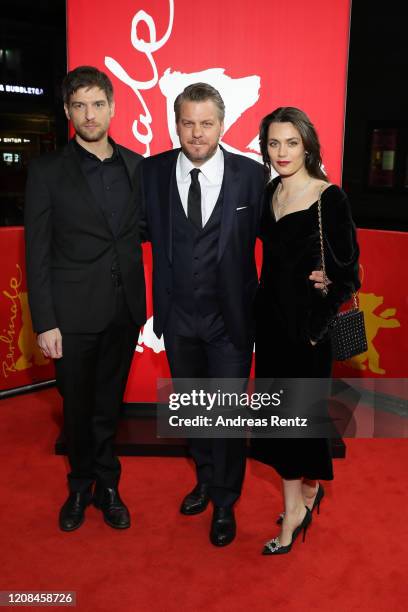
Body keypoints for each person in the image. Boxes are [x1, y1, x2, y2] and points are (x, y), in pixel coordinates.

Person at [140, 83, 265, 546]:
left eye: (206, 123)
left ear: (222, 124)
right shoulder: (151, 173)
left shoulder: (251, 176)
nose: (196, 133)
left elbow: (275, 243)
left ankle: (226, 502)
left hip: (230, 320)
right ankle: (205, 479)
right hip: (178, 319)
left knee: (228, 416)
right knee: (194, 411)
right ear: (176, 124)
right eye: (187, 122)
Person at [24, 66, 146, 531]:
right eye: (80, 105)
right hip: (70, 317)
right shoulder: (47, 171)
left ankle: (108, 484)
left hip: (123, 311)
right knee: (75, 407)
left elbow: (152, 231)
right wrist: (45, 321)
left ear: (113, 108)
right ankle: (79, 486)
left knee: (108, 405)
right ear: (67, 112)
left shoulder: (138, 166)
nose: (90, 114)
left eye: (98, 104)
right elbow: (37, 251)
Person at [252, 107, 360, 555]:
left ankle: (294, 510)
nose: (282, 152)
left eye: (291, 143)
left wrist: (329, 286)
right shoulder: (269, 192)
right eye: (274, 143)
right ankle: (306, 494)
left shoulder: (328, 197)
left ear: (308, 146)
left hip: (308, 331)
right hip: (272, 326)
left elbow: (350, 271)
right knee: (282, 421)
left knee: (295, 423)